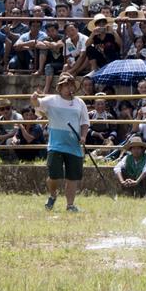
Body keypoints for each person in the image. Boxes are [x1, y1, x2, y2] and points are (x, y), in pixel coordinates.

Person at [30, 73, 89, 212]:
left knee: (72, 177)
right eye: (66, 85)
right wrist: (34, 99)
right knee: (54, 175)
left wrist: (83, 136)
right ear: (60, 87)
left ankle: (70, 205)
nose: (69, 88)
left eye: (71, 85)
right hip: (55, 144)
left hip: (74, 145)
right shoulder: (51, 100)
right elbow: (37, 105)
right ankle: (52, 195)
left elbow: (85, 123)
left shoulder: (80, 103)